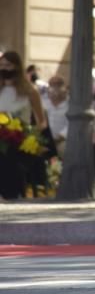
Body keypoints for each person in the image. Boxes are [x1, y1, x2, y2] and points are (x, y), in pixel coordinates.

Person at [0, 51, 48, 199]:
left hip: (20, 140)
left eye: (8, 65)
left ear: (17, 67)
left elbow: (41, 122)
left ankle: (13, 194)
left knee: (10, 159)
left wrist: (30, 136)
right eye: (1, 65)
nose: (4, 68)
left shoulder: (30, 91)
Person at [41, 73, 70, 157]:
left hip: (63, 141)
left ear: (65, 87)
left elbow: (70, 125)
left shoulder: (71, 104)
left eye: (59, 84)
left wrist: (58, 138)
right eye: (52, 84)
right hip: (44, 140)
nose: (55, 87)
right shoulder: (42, 102)